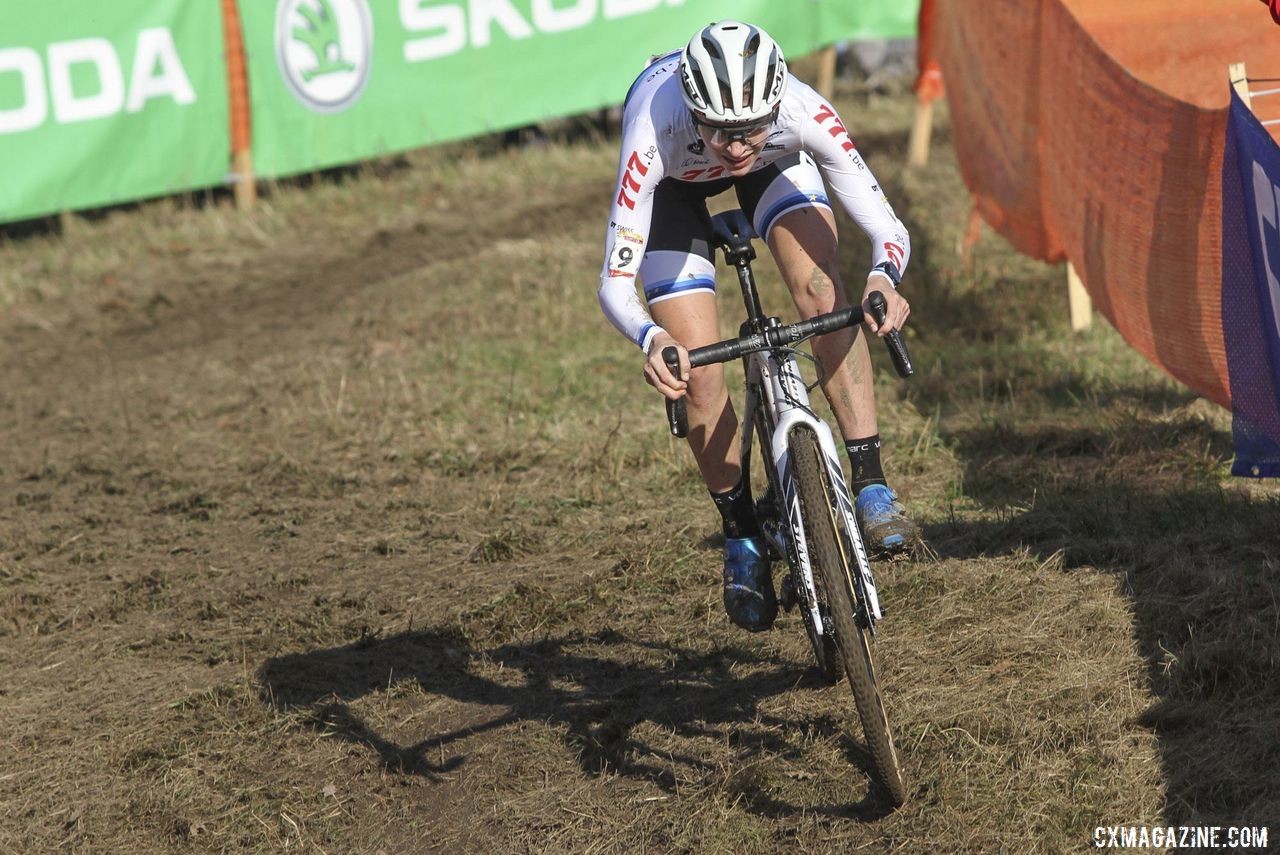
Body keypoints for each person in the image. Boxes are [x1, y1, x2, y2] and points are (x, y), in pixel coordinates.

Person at [597, 20, 918, 633]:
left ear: (776, 101)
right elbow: (615, 282)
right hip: (674, 195)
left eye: (750, 129)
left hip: (780, 172)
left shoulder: (802, 111)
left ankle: (871, 482)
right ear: (693, 110)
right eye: (719, 131)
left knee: (824, 290)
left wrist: (884, 278)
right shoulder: (652, 129)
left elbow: (888, 229)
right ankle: (740, 528)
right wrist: (652, 338)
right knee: (696, 368)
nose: (737, 145)